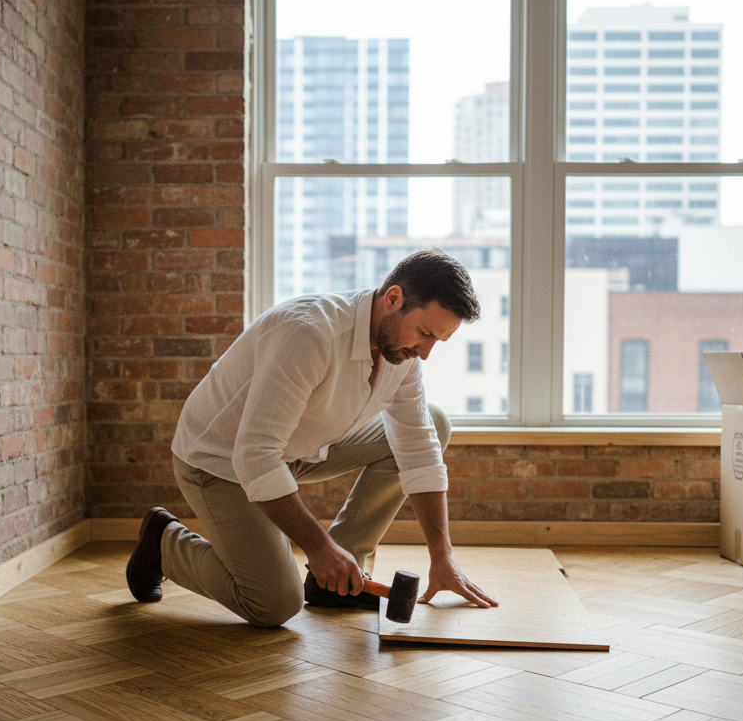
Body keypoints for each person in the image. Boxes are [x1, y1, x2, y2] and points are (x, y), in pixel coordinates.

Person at [126, 249, 499, 627]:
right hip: (220, 460)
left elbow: (417, 446)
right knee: (274, 604)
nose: (425, 353)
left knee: (432, 423)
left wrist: (442, 556)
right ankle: (164, 545)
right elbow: (255, 456)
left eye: (438, 341)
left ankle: (339, 580)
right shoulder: (308, 334)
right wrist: (319, 547)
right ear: (393, 299)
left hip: (296, 447)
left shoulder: (402, 352)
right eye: (424, 334)